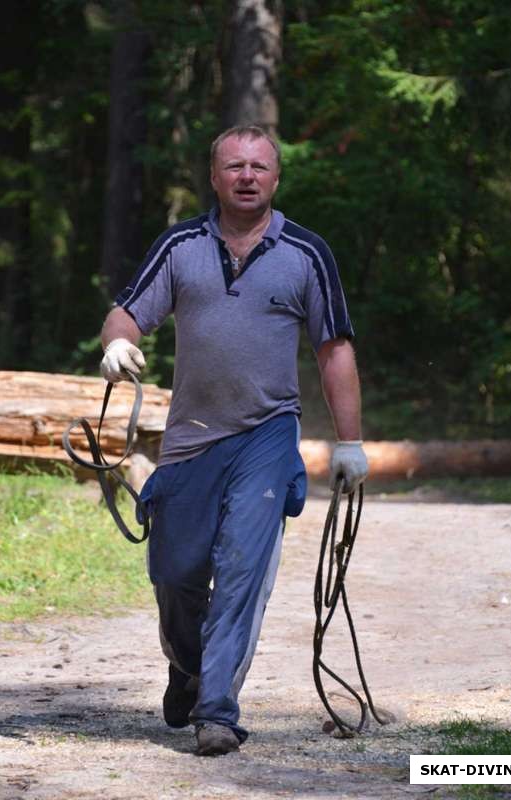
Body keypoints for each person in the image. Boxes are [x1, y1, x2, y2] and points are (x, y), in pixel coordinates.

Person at [99, 125, 368, 756]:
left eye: (259, 167)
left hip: (267, 435)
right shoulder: (180, 245)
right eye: (233, 166)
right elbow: (128, 310)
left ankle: (217, 710)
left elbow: (334, 349)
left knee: (245, 567)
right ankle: (188, 667)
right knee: (174, 573)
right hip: (191, 440)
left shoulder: (307, 253)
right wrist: (118, 342)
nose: (247, 176)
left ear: (276, 178)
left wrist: (350, 443)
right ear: (214, 176)